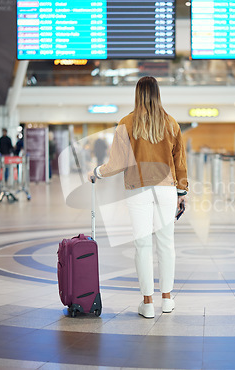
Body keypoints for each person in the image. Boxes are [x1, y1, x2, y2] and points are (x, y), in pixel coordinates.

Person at [92, 76, 188, 319]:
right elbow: (180, 163)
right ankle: (167, 299)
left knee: (142, 245)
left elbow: (116, 163)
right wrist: (182, 192)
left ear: (137, 94)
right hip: (166, 189)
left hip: (137, 189)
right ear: (157, 94)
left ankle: (147, 303)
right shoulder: (172, 124)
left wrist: (96, 173)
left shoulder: (126, 123)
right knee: (166, 245)